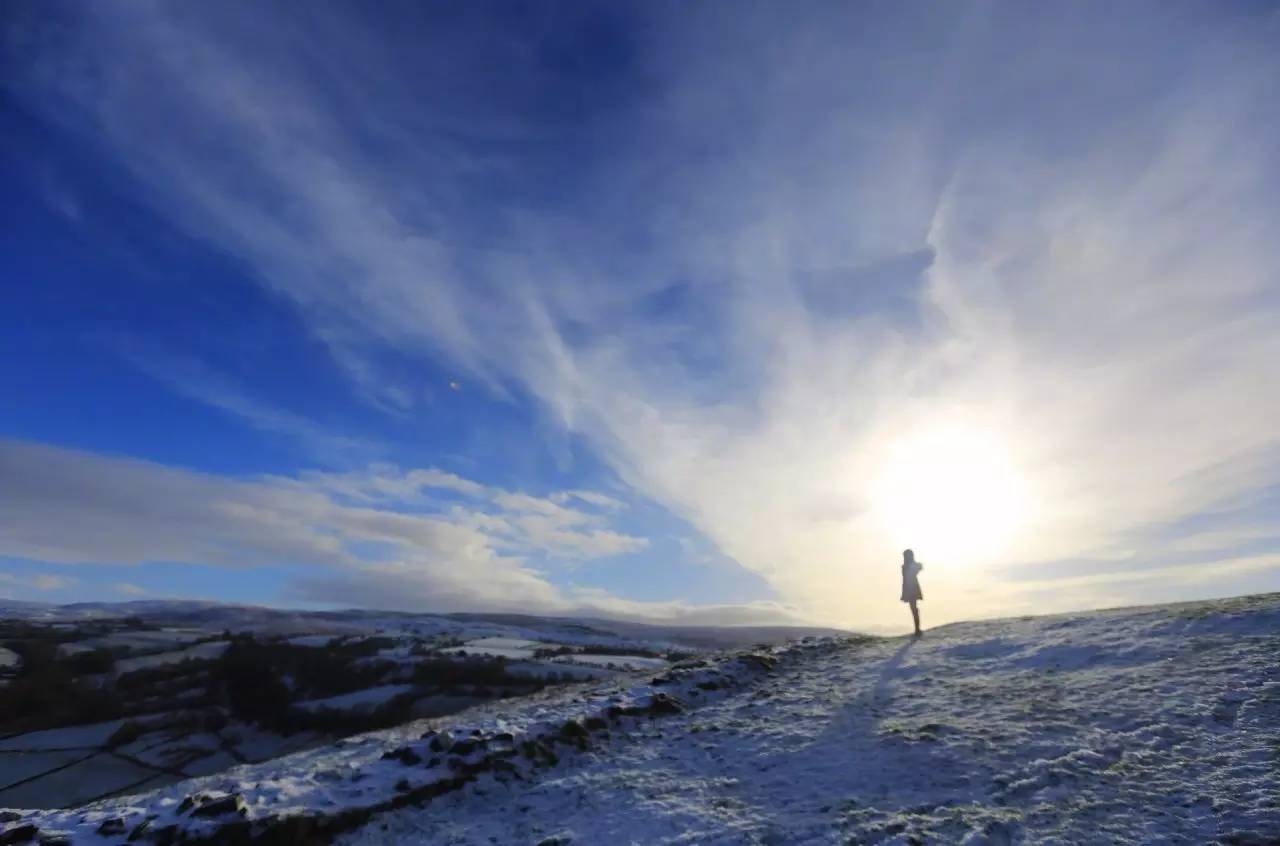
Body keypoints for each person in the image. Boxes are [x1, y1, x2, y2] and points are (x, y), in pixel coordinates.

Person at [900, 548, 924, 636]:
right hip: (911, 589)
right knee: (914, 609)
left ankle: (917, 629)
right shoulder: (906, 566)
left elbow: (918, 568)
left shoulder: (906, 566)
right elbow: (917, 568)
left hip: (911, 589)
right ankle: (917, 629)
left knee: (914, 609)